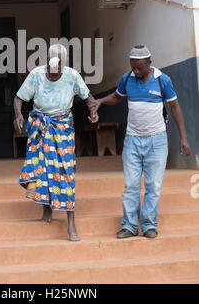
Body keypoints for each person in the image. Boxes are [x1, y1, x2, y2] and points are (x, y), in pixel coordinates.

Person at [93, 45, 191, 239]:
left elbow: (175, 107)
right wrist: (100, 101)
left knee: (153, 185)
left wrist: (184, 137)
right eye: (133, 67)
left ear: (149, 63)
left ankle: (148, 224)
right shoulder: (127, 78)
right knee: (131, 185)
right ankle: (129, 225)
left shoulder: (163, 80)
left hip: (157, 141)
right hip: (132, 140)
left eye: (139, 68)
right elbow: (117, 96)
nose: (135, 71)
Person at [14, 44, 99, 242]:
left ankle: (71, 224)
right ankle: (45, 207)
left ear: (63, 66)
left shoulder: (72, 76)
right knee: (42, 167)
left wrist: (93, 111)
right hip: (41, 125)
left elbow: (89, 98)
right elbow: (19, 98)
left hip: (62, 128)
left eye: (57, 72)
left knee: (65, 172)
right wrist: (18, 115)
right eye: (50, 73)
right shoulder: (36, 74)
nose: (53, 76)